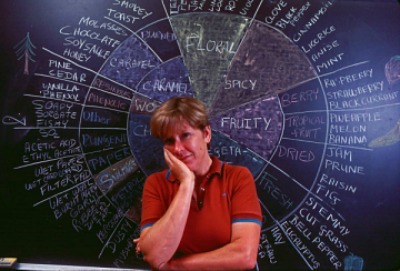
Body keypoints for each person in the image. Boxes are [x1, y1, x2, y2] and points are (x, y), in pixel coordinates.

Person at [134, 96, 262, 270]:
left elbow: (244, 256)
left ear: (206, 134)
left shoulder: (237, 178)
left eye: (185, 135)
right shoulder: (156, 184)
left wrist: (174, 267)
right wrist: (186, 183)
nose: (178, 148)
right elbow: (155, 256)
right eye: (169, 141)